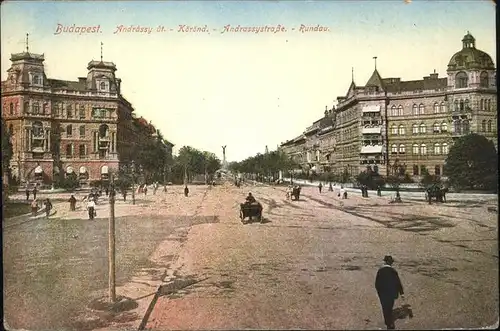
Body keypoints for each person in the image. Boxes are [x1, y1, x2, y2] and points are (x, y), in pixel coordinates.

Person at [375, 255, 405, 330]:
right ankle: (389, 322)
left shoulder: (380, 271)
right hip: (391, 292)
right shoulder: (393, 271)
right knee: (389, 306)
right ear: (391, 263)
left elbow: (377, 283)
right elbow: (397, 282)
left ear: (385, 262)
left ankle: (387, 322)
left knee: (384, 307)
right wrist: (401, 293)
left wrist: (379, 292)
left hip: (383, 293)